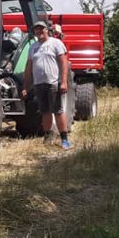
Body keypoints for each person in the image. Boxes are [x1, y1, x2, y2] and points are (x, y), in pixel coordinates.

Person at [22, 21, 72, 150]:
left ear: (47, 30)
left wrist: (64, 81)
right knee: (44, 112)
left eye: (41, 29)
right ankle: (48, 136)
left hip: (53, 83)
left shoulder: (56, 43)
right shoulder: (33, 47)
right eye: (36, 29)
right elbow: (29, 67)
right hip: (39, 84)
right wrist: (25, 86)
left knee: (58, 111)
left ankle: (64, 139)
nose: (38, 31)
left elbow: (63, 63)